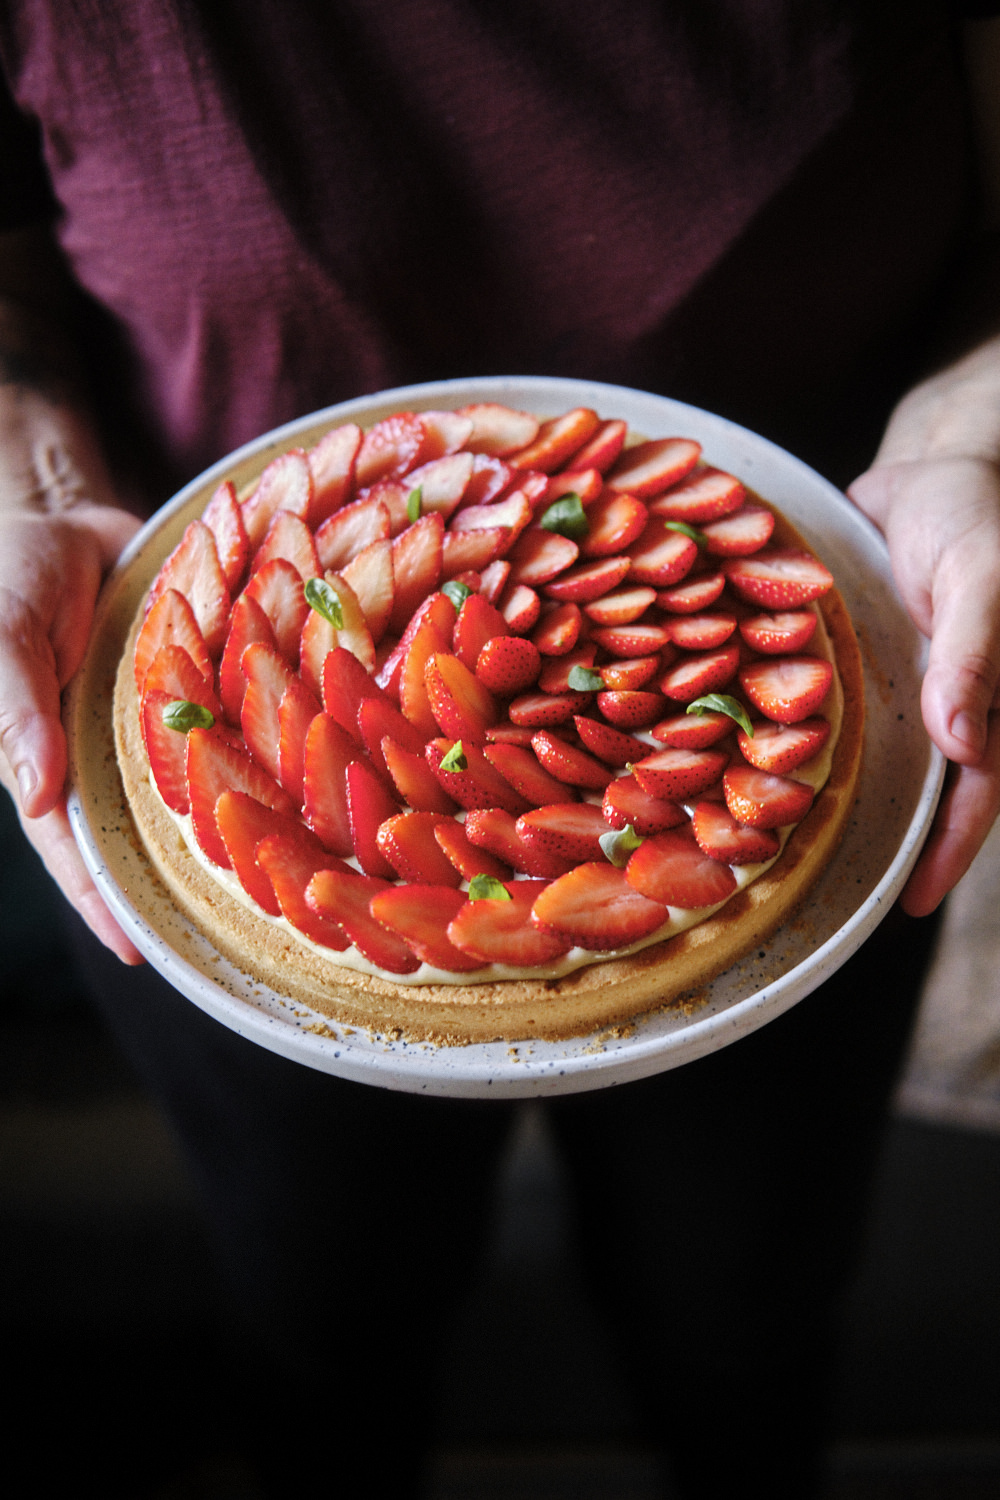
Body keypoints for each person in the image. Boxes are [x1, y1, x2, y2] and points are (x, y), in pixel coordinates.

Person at [1, 4, 998, 1495]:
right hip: (195, 686)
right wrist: (30, 471)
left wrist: (970, 433)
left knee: (745, 1312)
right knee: (328, 1317)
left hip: (812, 640)